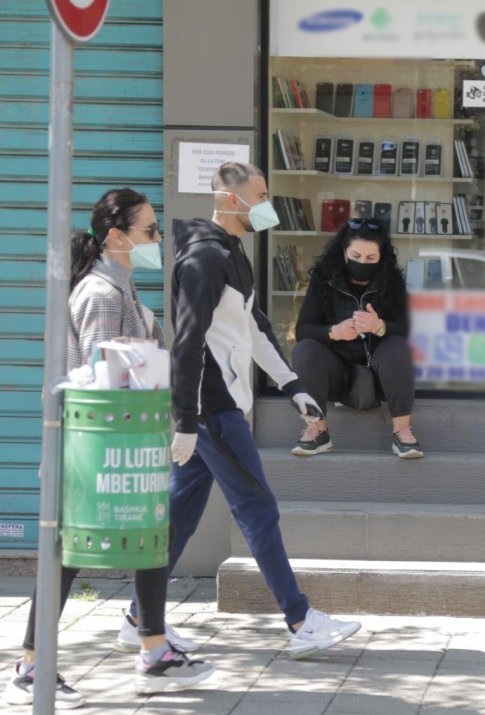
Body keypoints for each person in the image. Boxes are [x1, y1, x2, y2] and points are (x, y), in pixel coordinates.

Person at [4, 189, 214, 710]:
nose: (158, 239)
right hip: (95, 449)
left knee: (149, 536)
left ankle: (153, 648)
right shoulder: (101, 293)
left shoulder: (120, 286)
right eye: (149, 231)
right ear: (117, 237)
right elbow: (103, 378)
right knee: (71, 552)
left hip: (122, 445)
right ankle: (33, 665)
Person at [166, 161, 361, 658]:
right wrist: (185, 420)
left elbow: (253, 329)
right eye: (261, 194)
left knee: (179, 517)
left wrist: (292, 386)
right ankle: (299, 620)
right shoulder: (202, 261)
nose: (267, 204)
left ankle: (138, 617)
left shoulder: (234, 254)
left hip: (224, 404)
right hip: (214, 410)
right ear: (232, 200)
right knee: (257, 506)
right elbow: (186, 343)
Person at [291, 219, 423, 459]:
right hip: (336, 374)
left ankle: (402, 431)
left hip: (381, 376)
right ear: (343, 252)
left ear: (381, 257)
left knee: (398, 346)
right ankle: (318, 431)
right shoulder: (324, 280)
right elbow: (303, 330)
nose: (362, 262)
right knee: (305, 350)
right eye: (356, 255)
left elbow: (406, 329)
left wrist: (380, 326)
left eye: (371, 258)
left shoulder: (392, 283)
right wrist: (334, 331)